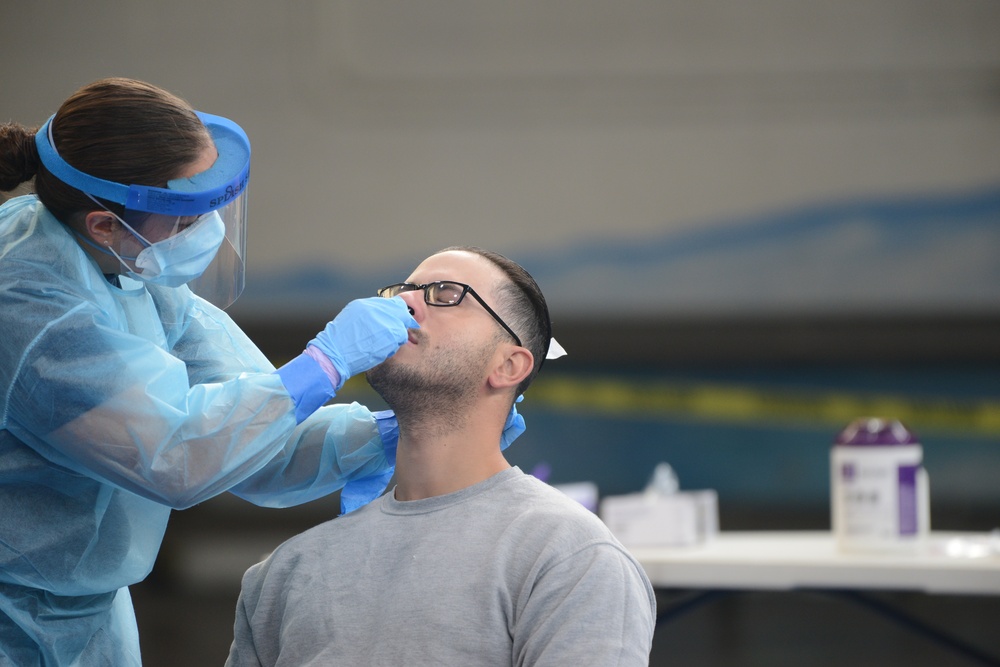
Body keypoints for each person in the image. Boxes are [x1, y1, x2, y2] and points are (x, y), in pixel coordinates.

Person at [0, 77, 454, 666]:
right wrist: (328, 360)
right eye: (186, 219)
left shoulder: (133, 269)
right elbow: (179, 457)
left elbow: (251, 443)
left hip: (81, 612)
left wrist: (388, 433)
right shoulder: (30, 305)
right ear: (104, 223)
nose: (208, 232)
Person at [227, 246, 656, 666]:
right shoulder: (287, 572)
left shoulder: (569, 557)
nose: (407, 304)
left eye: (447, 293)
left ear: (509, 366)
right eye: (403, 291)